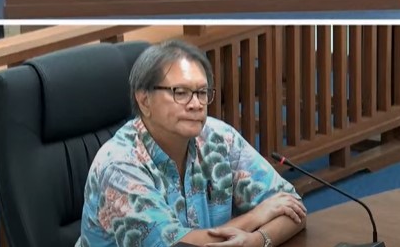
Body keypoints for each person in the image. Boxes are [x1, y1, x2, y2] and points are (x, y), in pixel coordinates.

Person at [79, 40, 306, 247]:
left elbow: (292, 207)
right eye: (180, 92)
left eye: (202, 92)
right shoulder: (119, 166)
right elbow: (176, 245)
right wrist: (255, 217)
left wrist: (257, 240)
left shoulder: (219, 138)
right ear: (144, 100)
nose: (196, 104)